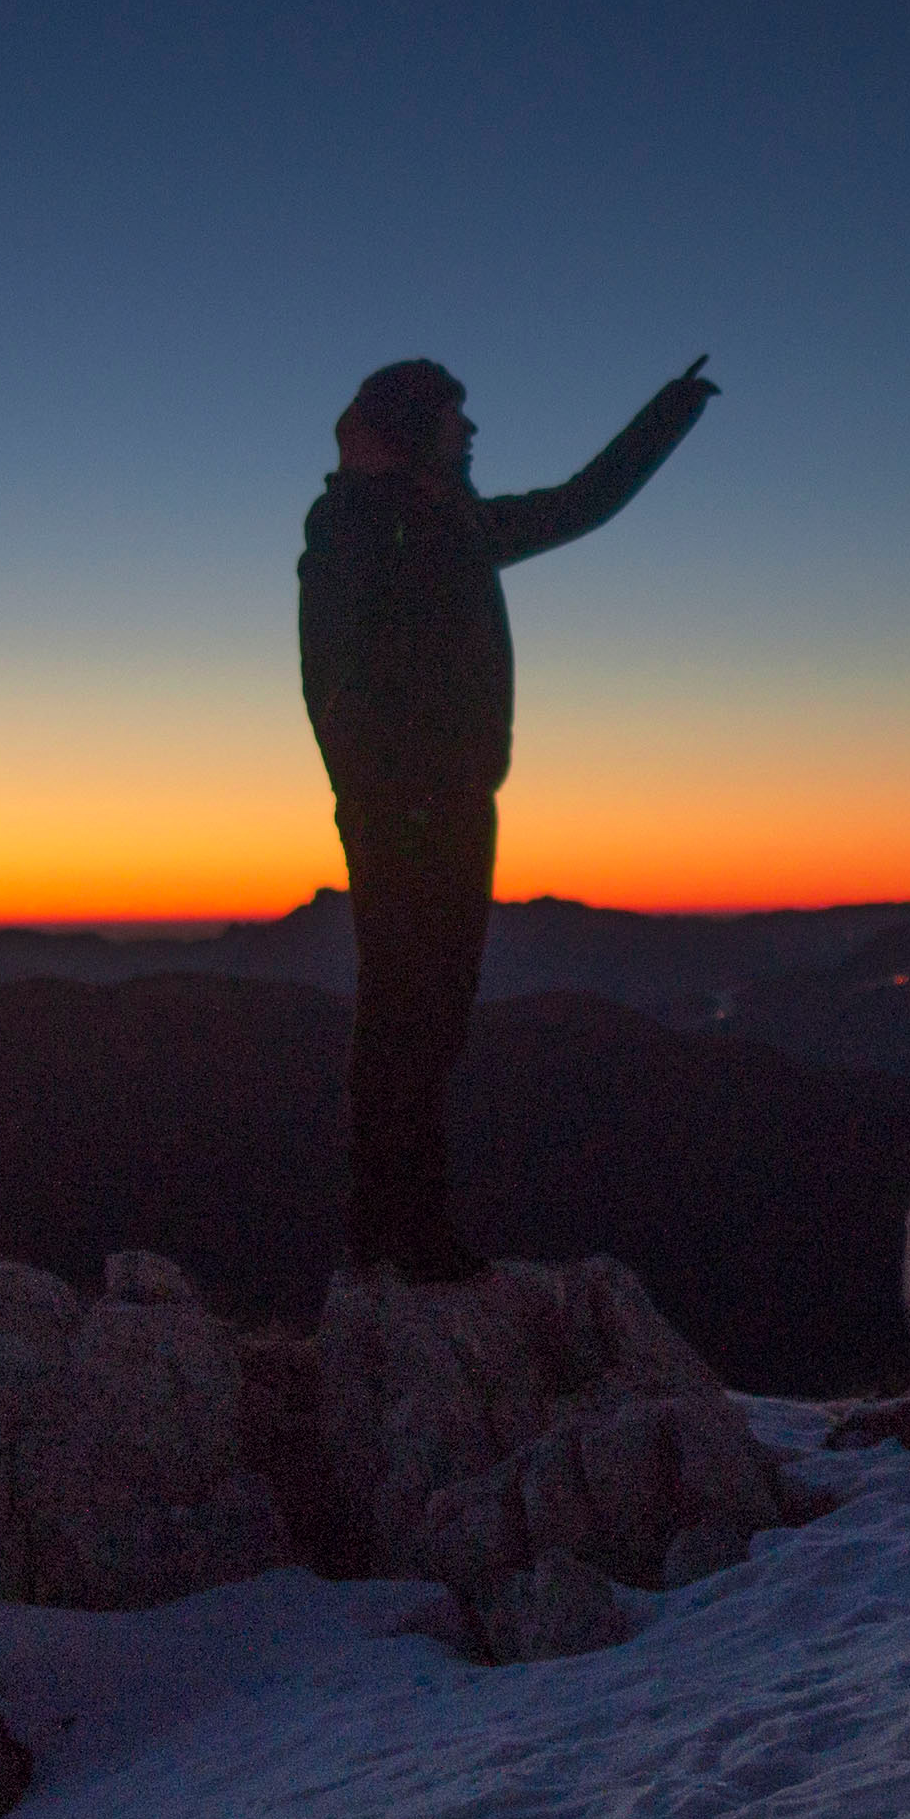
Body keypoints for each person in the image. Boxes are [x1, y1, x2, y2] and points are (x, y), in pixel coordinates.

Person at [297, 353, 716, 1279]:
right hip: (400, 814)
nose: (472, 432)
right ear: (415, 431)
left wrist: (671, 408)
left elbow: (579, 502)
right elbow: (329, 684)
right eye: (456, 418)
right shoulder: (356, 529)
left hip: (452, 807)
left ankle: (407, 1229)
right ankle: (393, 1236)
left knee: (433, 1017)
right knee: (404, 1015)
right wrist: (381, 792)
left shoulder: (453, 525)